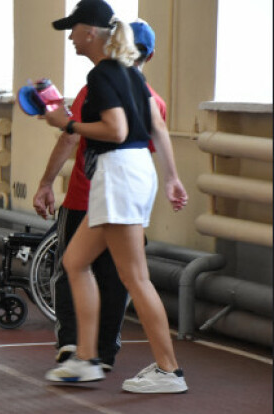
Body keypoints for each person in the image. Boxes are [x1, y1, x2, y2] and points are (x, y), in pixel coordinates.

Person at [42, 0, 188, 393]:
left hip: (120, 172)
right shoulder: (128, 72)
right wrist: (172, 177)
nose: (70, 37)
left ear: (91, 31)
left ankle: (168, 370)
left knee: (135, 277)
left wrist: (66, 121)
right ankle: (86, 359)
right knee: (74, 261)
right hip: (133, 171)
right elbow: (157, 125)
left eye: (73, 29)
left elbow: (117, 129)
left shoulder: (105, 72)